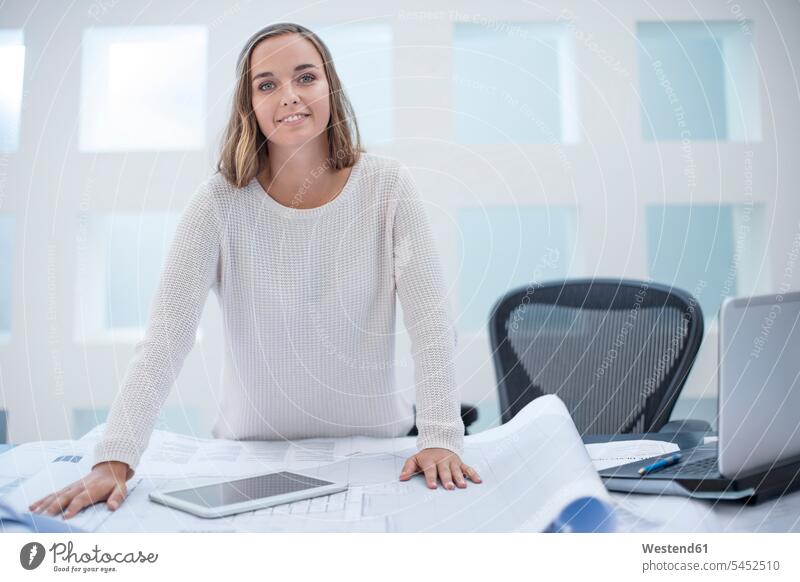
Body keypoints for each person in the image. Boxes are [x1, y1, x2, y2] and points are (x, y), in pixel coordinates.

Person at [30, 22, 481, 520]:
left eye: (305, 77)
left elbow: (430, 325)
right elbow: (165, 341)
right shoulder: (218, 202)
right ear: (250, 106)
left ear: (330, 87)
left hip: (377, 450)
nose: (289, 95)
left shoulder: (388, 186)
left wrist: (441, 436)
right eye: (267, 84)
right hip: (248, 458)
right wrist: (114, 460)